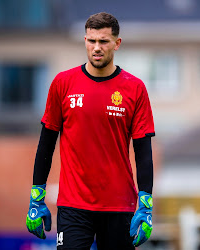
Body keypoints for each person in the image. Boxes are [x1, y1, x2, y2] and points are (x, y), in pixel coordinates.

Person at [26, 12, 155, 250]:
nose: (97, 47)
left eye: (103, 41)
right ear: (85, 40)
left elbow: (143, 152)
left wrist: (145, 204)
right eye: (91, 40)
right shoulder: (62, 84)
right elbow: (46, 143)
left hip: (119, 206)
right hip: (73, 205)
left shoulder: (135, 88)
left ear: (117, 44)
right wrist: (37, 197)